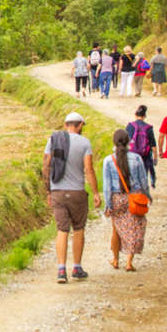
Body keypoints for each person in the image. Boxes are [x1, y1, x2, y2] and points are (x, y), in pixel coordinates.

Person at [42, 111, 102, 283]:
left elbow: (46, 166)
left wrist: (48, 191)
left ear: (66, 124)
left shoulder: (53, 140)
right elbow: (88, 169)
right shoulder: (85, 143)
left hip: (58, 192)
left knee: (62, 230)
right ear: (80, 125)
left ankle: (61, 270)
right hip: (77, 192)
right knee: (78, 229)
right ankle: (77, 267)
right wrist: (96, 192)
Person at [103, 128, 151, 271]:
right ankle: (129, 262)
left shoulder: (108, 160)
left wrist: (108, 205)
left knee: (116, 229)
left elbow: (107, 186)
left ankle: (116, 260)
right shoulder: (136, 158)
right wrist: (148, 195)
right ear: (129, 141)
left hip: (117, 198)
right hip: (134, 198)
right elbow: (143, 180)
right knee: (134, 227)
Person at [127, 104, 157, 188]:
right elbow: (153, 144)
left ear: (135, 115)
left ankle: (134, 194)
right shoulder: (148, 128)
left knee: (133, 175)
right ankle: (144, 195)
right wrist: (155, 157)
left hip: (132, 155)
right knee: (144, 176)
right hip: (145, 155)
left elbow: (126, 141)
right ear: (144, 116)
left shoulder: (130, 126)